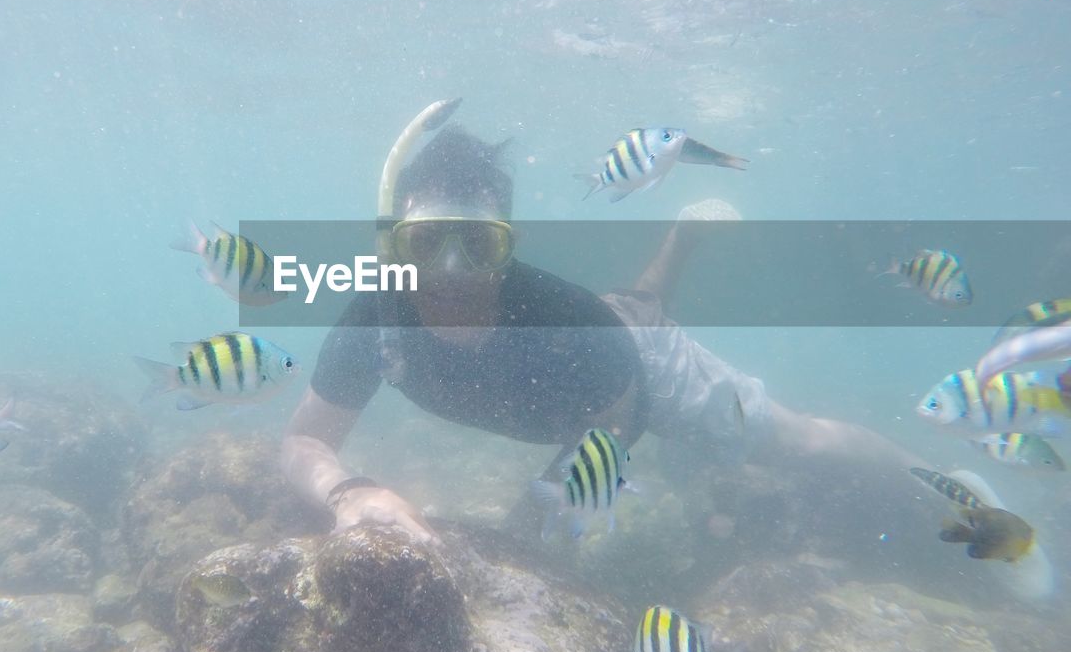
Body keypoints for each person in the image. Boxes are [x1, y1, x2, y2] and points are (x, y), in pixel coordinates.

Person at [279, 109, 917, 544]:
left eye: (478, 244)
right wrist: (346, 494)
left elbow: (623, 418)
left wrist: (553, 492)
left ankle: (947, 488)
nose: (453, 272)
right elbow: (304, 444)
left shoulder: (561, 318)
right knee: (630, 305)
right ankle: (681, 241)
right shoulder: (376, 317)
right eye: (425, 244)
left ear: (510, 246)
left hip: (643, 371)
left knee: (796, 439)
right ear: (392, 247)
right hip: (609, 331)